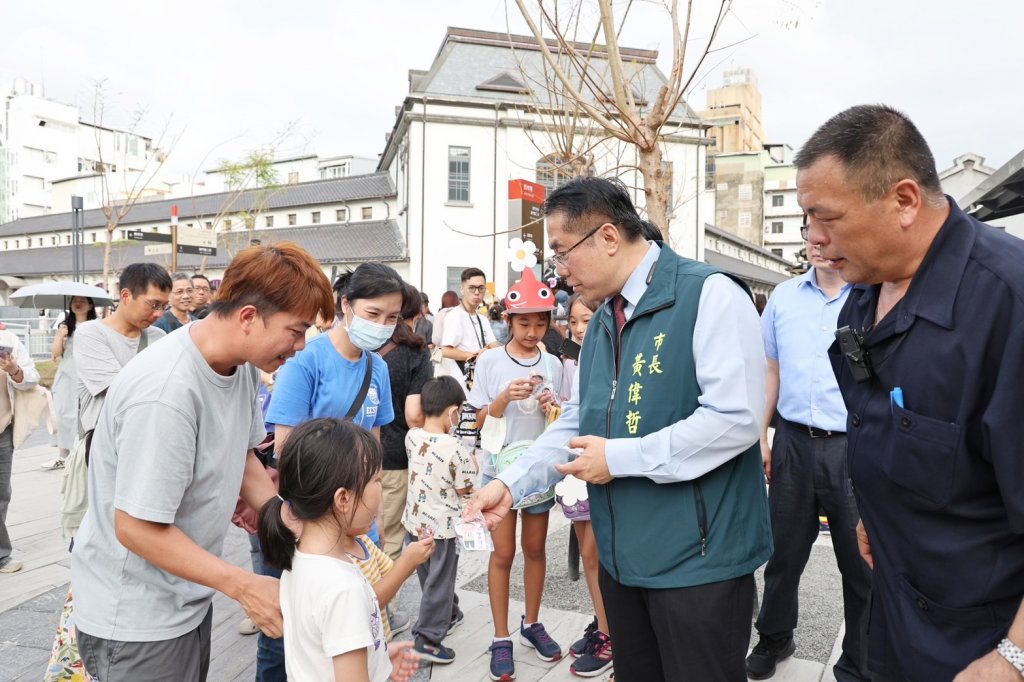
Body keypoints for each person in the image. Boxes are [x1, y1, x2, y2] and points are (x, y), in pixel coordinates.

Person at [469, 176, 770, 681]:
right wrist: (510, 483)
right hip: (623, 554)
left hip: (699, 559)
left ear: (608, 237)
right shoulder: (607, 316)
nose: (560, 274)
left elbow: (735, 419)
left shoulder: (709, 295)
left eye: (563, 255)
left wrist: (619, 459)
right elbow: (578, 416)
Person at [798, 105, 1024, 682]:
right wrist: (879, 511)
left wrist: (1013, 657)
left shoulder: (1006, 305)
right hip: (892, 607)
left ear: (903, 200)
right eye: (806, 220)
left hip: (978, 641)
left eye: (826, 218)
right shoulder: (864, 292)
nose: (815, 241)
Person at [71, 243, 335, 682]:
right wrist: (244, 585)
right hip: (138, 617)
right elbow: (135, 526)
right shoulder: (167, 391)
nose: (301, 346)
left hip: (186, 594)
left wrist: (287, 523)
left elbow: (246, 459)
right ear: (249, 317)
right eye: (296, 330)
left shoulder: (243, 364)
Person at [261, 261, 401, 681]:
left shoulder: (378, 368)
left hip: (356, 517)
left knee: (358, 619)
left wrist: (369, 512)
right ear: (346, 305)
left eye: (391, 318)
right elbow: (286, 450)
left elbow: (374, 443)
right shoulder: (307, 360)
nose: (382, 325)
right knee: (285, 636)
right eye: (373, 314)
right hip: (313, 520)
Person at [747, 228, 870, 681]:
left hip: (852, 447)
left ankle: (859, 658)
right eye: (808, 230)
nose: (816, 240)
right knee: (783, 552)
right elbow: (771, 369)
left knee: (859, 562)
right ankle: (775, 636)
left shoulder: (869, 296)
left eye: (827, 229)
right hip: (794, 443)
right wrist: (761, 433)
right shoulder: (783, 297)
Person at [258, 418, 422, 682]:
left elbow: (320, 653)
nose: (380, 489)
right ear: (343, 498)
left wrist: (378, 659)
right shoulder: (343, 588)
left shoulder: (298, 560)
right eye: (377, 480)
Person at [467, 268, 565, 681]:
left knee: (537, 549)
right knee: (502, 553)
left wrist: (551, 407)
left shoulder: (556, 363)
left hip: (538, 472)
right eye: (524, 322)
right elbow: (476, 420)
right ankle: (501, 635)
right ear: (508, 321)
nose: (532, 330)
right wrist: (505, 397)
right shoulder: (490, 360)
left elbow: (563, 419)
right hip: (497, 471)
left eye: (540, 322)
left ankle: (533, 621)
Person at [556, 292, 614, 678]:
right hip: (579, 468)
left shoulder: (611, 355)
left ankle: (611, 635)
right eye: (574, 321)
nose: (579, 328)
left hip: (604, 466)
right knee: (588, 555)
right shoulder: (576, 362)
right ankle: (603, 623)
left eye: (587, 320)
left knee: (598, 556)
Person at [403, 375, 478, 664]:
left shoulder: (412, 436)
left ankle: (448, 613)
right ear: (453, 412)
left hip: (415, 522)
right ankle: (428, 639)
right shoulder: (456, 450)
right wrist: (471, 466)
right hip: (443, 530)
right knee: (441, 580)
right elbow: (464, 490)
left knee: (428, 575)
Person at [377, 283, 432, 563]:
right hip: (396, 458)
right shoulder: (416, 353)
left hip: (353, 454)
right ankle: (381, 606)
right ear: (417, 313)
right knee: (390, 539)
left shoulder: (366, 346)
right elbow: (413, 415)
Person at [0, 327, 41, 574]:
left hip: (2, 429)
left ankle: (1, 555)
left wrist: (14, 369)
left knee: (1, 494)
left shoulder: (8, 340)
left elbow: (32, 378)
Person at [46, 295, 97, 470]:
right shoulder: (65, 327)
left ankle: (82, 452)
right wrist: (60, 335)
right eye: (75, 300)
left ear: (90, 305)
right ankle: (63, 455)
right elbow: (55, 354)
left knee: (85, 415)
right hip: (66, 375)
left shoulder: (96, 327)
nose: (78, 303)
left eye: (83, 300)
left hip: (87, 375)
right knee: (63, 414)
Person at [440, 269, 499, 390]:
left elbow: (494, 345)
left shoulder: (482, 318)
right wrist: (475, 355)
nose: (477, 292)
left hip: (479, 380)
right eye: (472, 288)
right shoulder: (455, 315)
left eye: (481, 288)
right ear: (462, 289)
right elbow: (445, 351)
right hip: (461, 382)